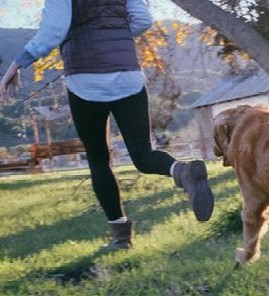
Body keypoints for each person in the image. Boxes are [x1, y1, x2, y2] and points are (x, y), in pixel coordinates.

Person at [0, 0, 214, 250]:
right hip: (128, 76)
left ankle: (121, 238)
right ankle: (182, 171)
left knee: (99, 160)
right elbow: (143, 21)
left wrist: (16, 65)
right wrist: (114, 36)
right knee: (143, 154)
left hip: (85, 80)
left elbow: (55, 30)